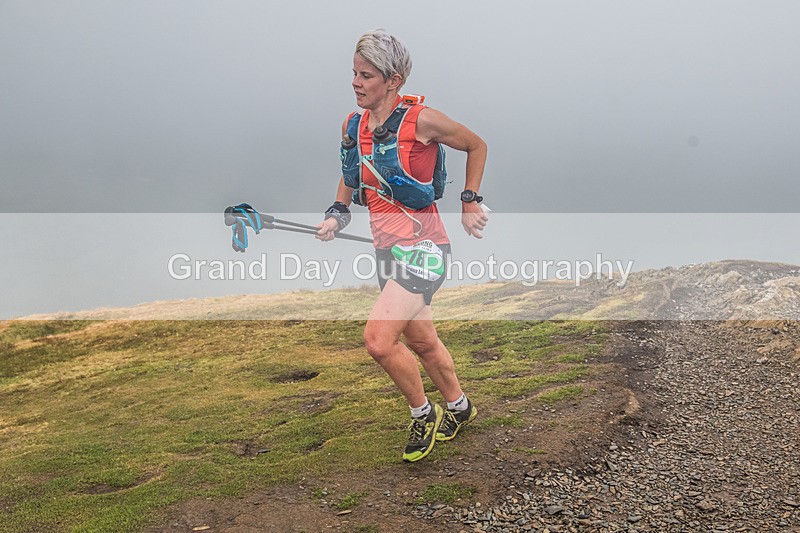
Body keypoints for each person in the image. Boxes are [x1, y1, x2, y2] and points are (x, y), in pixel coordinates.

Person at [316, 29, 488, 463]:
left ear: (393, 80)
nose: (356, 82)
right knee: (422, 340)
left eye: (366, 76)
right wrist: (337, 213)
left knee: (377, 340)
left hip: (425, 250)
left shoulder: (421, 121)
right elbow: (353, 173)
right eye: (354, 73)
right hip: (386, 252)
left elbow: (476, 145)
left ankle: (422, 413)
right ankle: (459, 407)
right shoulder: (353, 125)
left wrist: (470, 200)